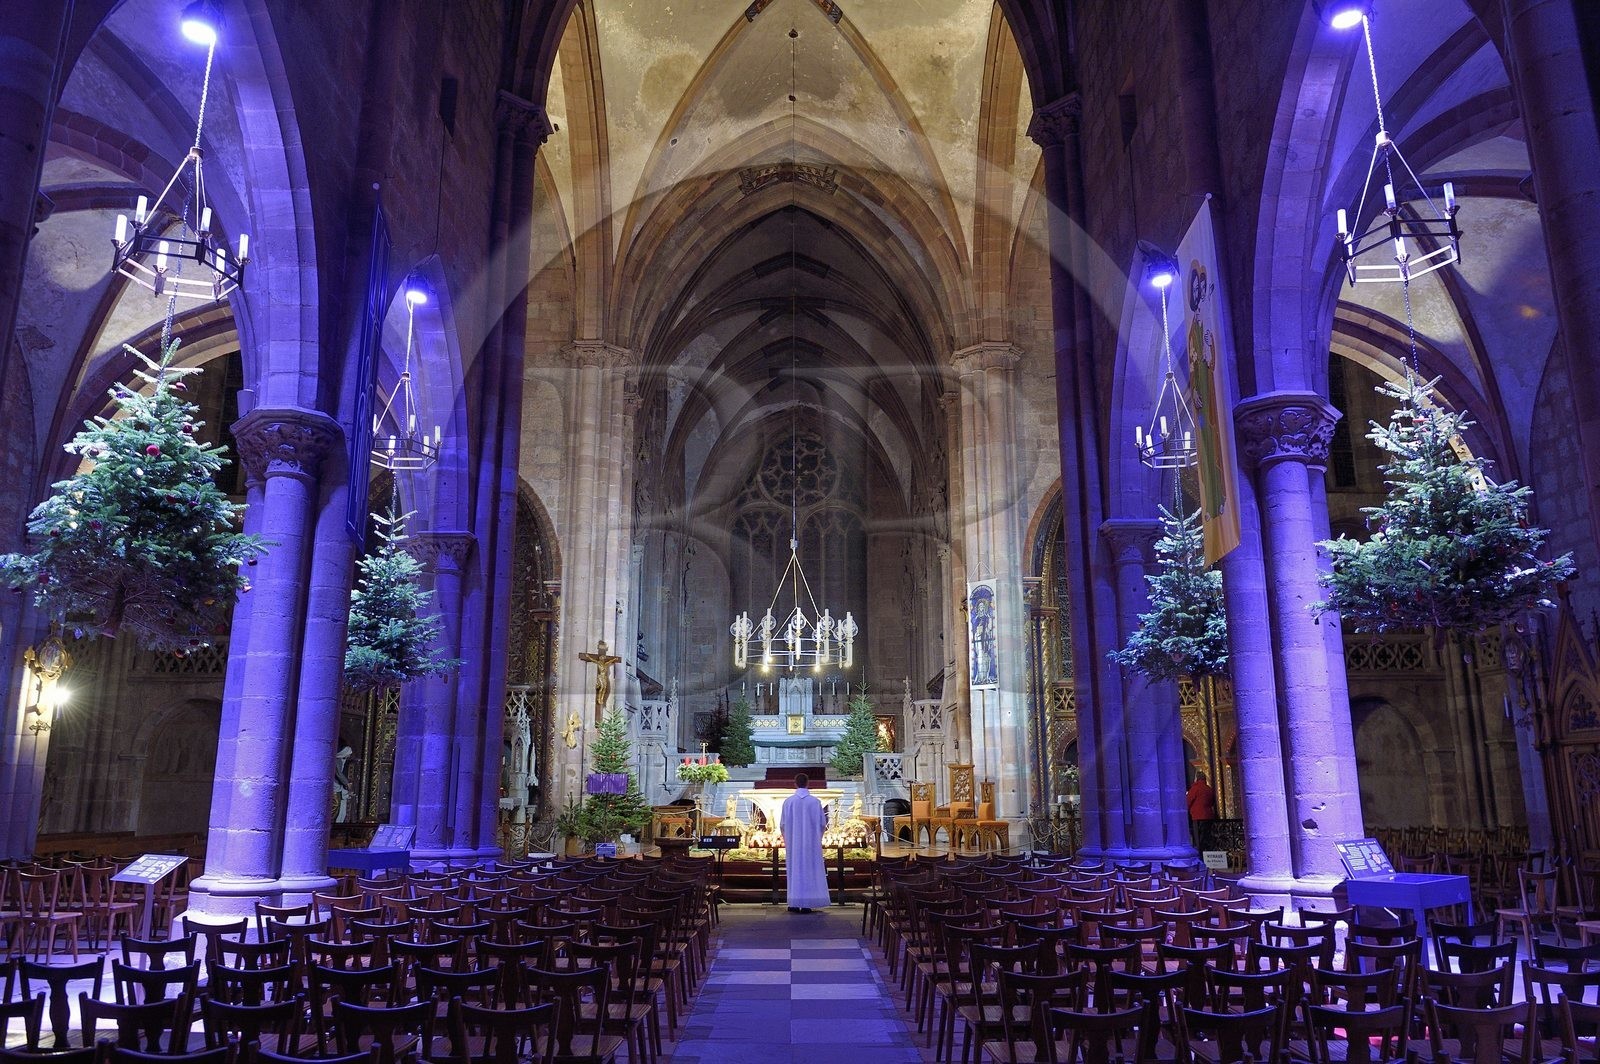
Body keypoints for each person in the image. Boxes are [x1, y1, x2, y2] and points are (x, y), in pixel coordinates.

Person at [780, 772, 831, 913]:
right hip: (810, 844)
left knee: (795, 870)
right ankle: (808, 903)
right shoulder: (814, 802)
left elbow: (783, 824)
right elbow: (822, 824)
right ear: (808, 783)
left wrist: (789, 839)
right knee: (809, 870)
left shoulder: (788, 802)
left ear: (795, 783)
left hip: (794, 843)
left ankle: (794, 902)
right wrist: (815, 838)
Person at [1186, 771, 1216, 851]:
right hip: (1208, 816)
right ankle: (1207, 852)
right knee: (1206, 836)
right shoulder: (1209, 789)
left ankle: (1200, 854)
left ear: (1196, 778)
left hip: (1197, 816)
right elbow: (1212, 802)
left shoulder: (1195, 788)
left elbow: (1188, 801)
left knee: (1198, 838)